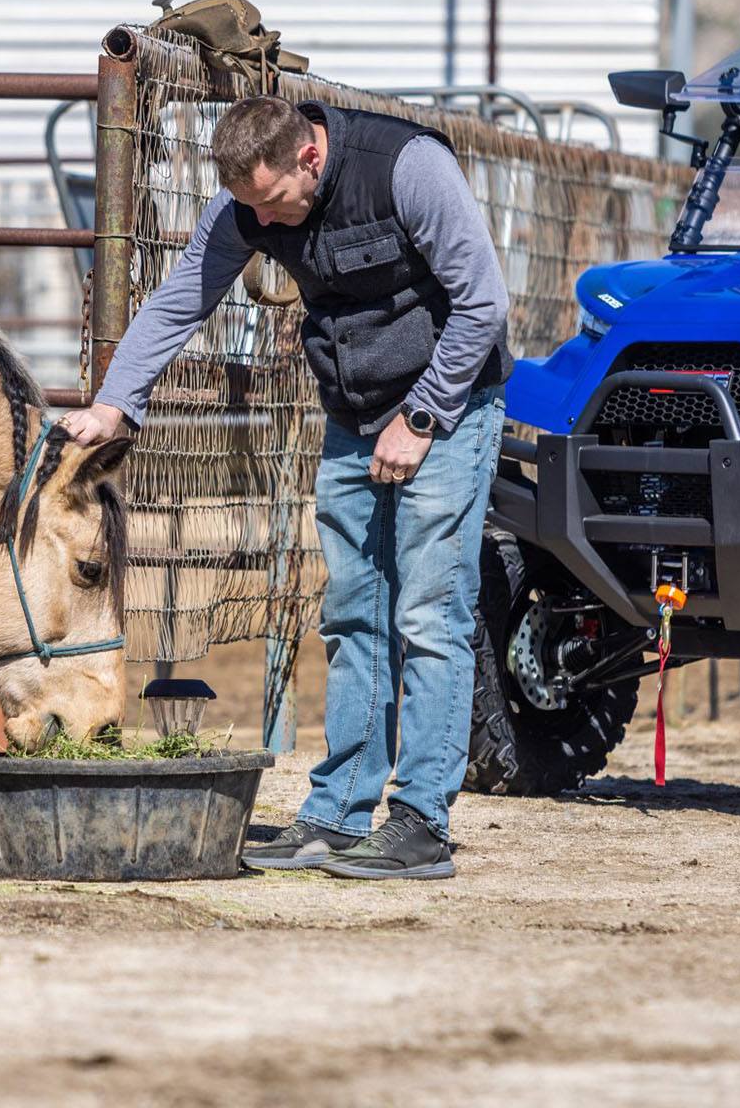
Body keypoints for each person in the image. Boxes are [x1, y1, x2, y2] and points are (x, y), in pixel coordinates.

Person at [63, 95, 509, 880]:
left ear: (310, 157)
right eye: (247, 207)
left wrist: (424, 417)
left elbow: (482, 303)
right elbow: (181, 299)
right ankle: (338, 813)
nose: (262, 222)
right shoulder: (248, 201)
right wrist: (116, 401)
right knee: (353, 613)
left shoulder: (407, 168)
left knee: (430, 613)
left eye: (270, 203)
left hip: (447, 406)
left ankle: (421, 821)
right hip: (355, 411)